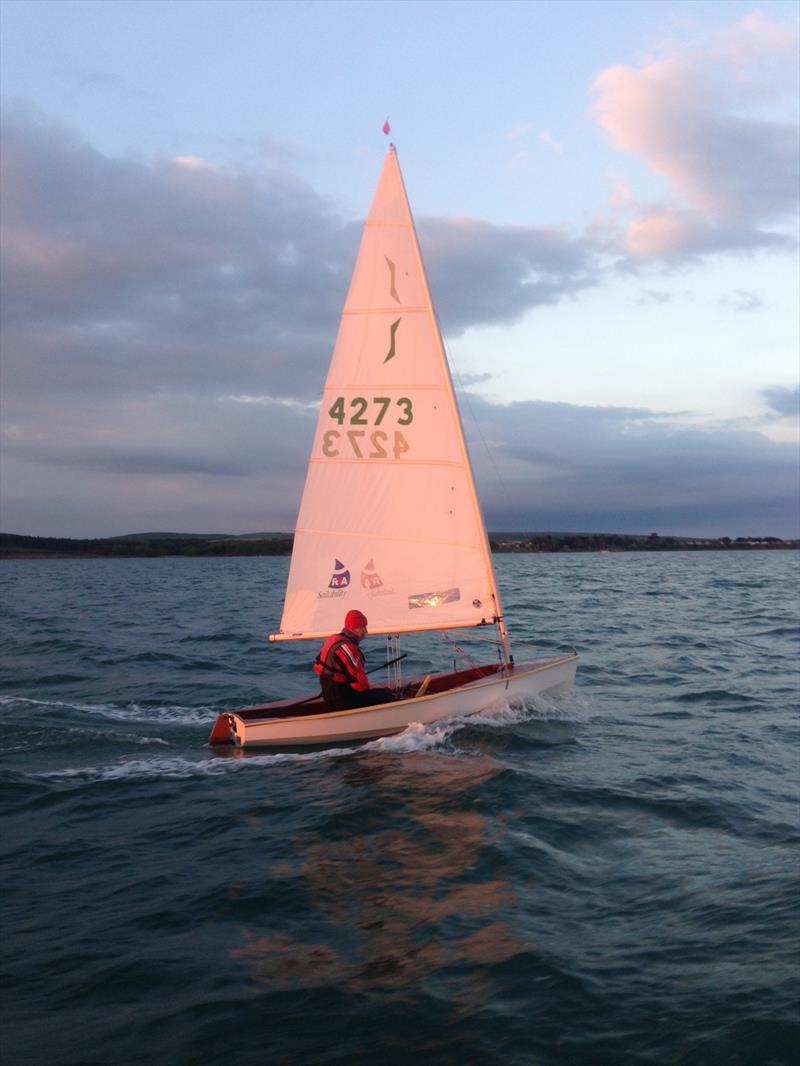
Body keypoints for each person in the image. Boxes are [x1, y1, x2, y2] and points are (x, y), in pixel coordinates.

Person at [314, 609, 395, 711]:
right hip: (342, 700)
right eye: (363, 627)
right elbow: (361, 685)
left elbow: (320, 669)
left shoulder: (331, 639)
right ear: (355, 628)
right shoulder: (348, 648)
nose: (366, 631)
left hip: (328, 695)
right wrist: (374, 689)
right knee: (385, 694)